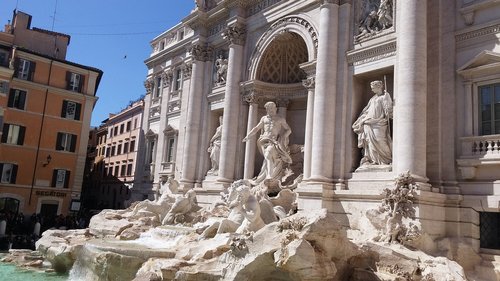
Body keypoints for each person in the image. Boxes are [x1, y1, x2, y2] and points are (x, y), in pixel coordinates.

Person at [243, 101, 292, 185]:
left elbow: (289, 130)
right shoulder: (264, 118)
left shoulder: (280, 118)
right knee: (267, 158)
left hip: (273, 140)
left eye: (272, 108)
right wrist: (248, 136)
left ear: (276, 109)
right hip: (263, 140)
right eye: (269, 108)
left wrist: (283, 137)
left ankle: (269, 175)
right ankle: (266, 176)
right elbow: (256, 128)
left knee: (268, 155)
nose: (271, 110)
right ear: (266, 109)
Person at [352, 80, 393, 170]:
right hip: (368, 123)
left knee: (380, 140)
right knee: (370, 143)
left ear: (379, 87)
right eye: (371, 88)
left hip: (380, 122)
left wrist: (388, 104)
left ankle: (386, 160)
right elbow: (367, 111)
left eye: (373, 88)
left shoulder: (384, 96)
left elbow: (389, 109)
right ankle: (373, 161)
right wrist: (362, 119)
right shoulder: (372, 99)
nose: (372, 90)